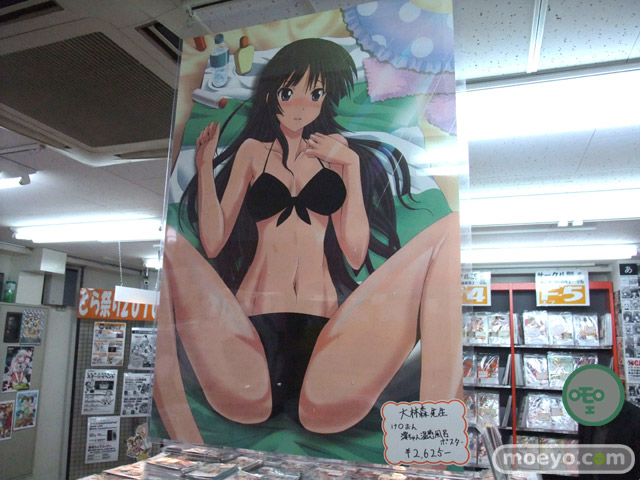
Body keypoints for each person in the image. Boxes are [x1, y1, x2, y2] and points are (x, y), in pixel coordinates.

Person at [154, 38, 461, 443]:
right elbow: (213, 242)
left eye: (314, 94)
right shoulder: (252, 152)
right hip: (247, 338)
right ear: (272, 96)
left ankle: (437, 452)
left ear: (325, 97)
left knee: (450, 230)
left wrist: (351, 166)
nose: (301, 106)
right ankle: (178, 449)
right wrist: (205, 169)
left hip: (329, 343)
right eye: (289, 93)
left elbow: (355, 253)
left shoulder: (337, 154)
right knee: (170, 243)